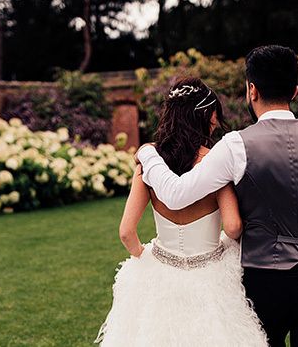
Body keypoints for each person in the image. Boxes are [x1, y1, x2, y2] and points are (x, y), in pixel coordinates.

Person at [137, 45, 298, 347]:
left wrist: (147, 154)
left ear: (251, 90)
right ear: (295, 91)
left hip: (264, 283)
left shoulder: (235, 146)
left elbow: (176, 195)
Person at [96, 76, 268, 347]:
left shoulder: (149, 164)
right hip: (211, 275)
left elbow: (126, 232)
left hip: (160, 271)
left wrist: (147, 257)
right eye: (214, 113)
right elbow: (233, 226)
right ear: (205, 115)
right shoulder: (215, 162)